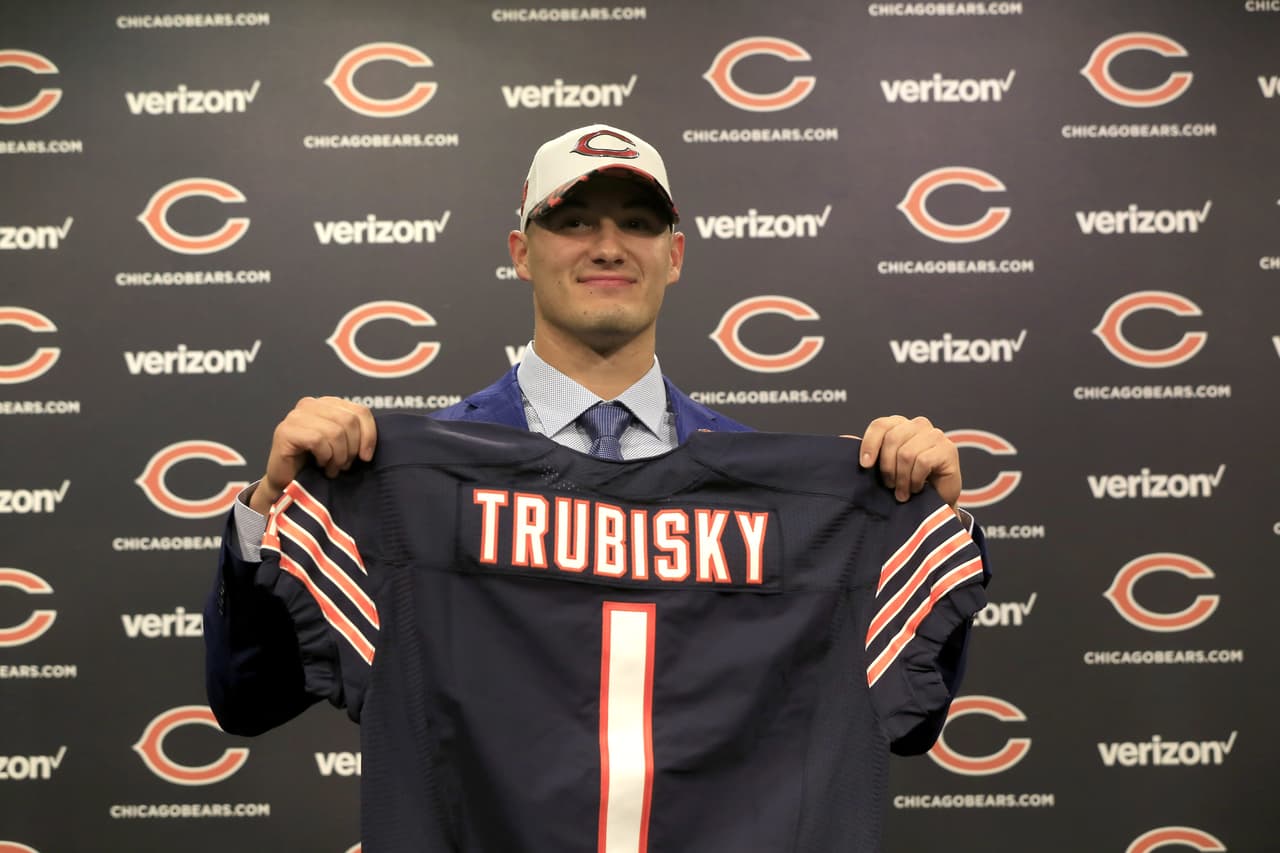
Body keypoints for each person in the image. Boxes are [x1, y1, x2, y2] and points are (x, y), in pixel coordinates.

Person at [203, 125, 988, 845]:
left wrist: (923, 520)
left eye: (638, 223)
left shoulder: (785, 498)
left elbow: (911, 721)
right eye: (574, 221)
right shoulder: (411, 489)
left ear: (674, 255)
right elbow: (250, 698)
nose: (608, 246)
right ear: (521, 251)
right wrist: (273, 506)